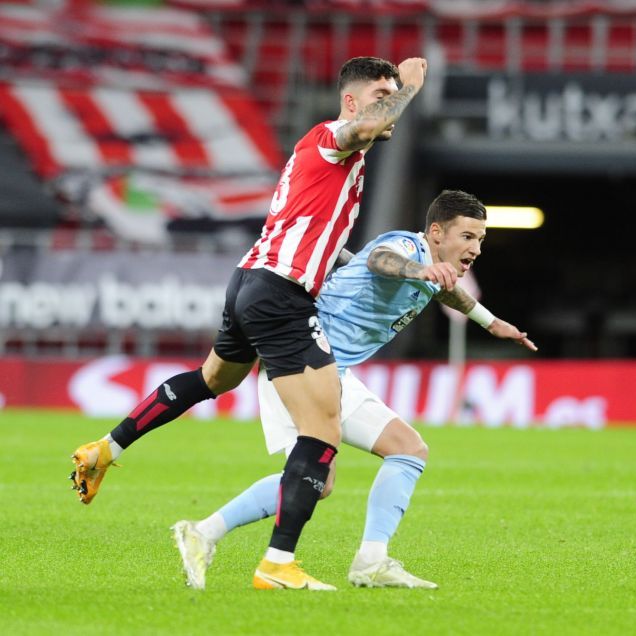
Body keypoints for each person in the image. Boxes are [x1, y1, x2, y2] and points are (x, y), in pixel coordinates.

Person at [69, 56, 429, 591]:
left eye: (393, 93)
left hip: (251, 282)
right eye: (380, 93)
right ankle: (277, 564)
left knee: (214, 379)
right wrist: (413, 87)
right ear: (351, 101)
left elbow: (320, 232)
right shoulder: (335, 135)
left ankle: (106, 448)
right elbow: (371, 125)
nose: (389, 103)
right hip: (279, 294)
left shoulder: (338, 159)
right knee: (323, 430)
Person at [170, 190, 536, 590]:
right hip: (299, 366)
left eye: (480, 239)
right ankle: (204, 534)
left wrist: (490, 321)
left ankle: (371, 561)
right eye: (468, 236)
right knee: (316, 480)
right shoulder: (404, 246)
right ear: (435, 232)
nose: (476, 248)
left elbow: (443, 289)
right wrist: (418, 271)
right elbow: (382, 261)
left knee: (407, 450)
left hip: (332, 373)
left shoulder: (433, 267)